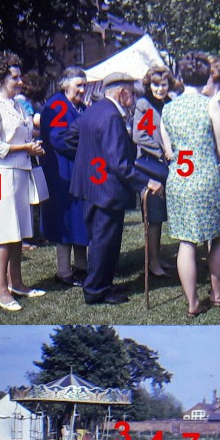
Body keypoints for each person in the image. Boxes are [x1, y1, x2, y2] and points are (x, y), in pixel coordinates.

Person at [160, 52, 220, 318]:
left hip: (179, 181)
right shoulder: (210, 105)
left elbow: (169, 150)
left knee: (187, 240)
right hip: (204, 177)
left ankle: (193, 302)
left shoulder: (168, 108)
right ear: (207, 76)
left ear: (181, 77)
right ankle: (217, 295)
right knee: (219, 233)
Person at [70, 72, 162, 306]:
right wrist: (145, 182)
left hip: (90, 185)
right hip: (106, 190)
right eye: (131, 92)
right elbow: (120, 163)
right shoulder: (111, 116)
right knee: (105, 241)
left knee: (99, 239)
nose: (133, 97)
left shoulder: (94, 109)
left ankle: (100, 283)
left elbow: (71, 135)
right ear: (122, 93)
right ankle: (96, 290)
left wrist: (89, 157)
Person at [0, 51, 46, 312]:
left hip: (19, 171)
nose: (20, 82)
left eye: (19, 77)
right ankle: (0, 290)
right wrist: (26, 148)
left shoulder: (17, 104)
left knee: (17, 232)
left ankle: (17, 283)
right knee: (3, 233)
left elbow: (23, 134)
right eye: (14, 77)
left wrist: (33, 146)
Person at [40, 67, 89, 285]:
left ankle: (82, 267)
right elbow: (59, 139)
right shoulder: (57, 105)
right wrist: (89, 147)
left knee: (79, 218)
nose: (82, 89)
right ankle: (64, 272)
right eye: (78, 85)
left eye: (84, 85)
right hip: (61, 170)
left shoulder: (78, 107)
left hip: (76, 169)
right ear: (65, 84)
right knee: (66, 220)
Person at [133, 66, 180, 277]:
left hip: (166, 165)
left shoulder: (169, 104)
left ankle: (158, 257)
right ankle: (152, 263)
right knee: (153, 215)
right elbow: (140, 135)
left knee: (160, 215)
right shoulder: (145, 105)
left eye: (163, 84)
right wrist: (162, 150)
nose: (160, 88)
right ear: (148, 85)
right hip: (150, 166)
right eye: (155, 84)